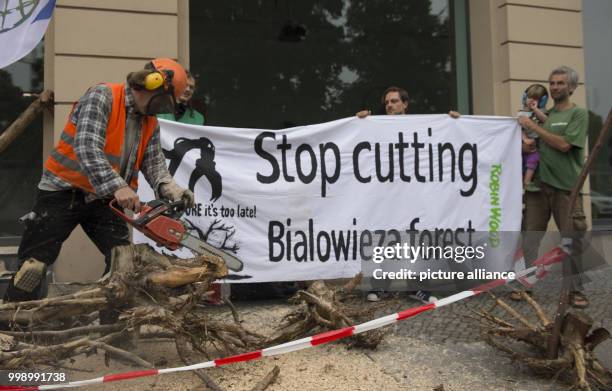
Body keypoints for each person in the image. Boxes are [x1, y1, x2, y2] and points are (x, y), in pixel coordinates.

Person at [4, 58, 196, 302]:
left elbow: (154, 164)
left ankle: (117, 332)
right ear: (154, 85)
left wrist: (171, 189)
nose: (165, 109)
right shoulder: (103, 96)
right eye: (167, 102)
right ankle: (10, 329)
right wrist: (119, 186)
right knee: (33, 266)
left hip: (103, 199)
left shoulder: (149, 121)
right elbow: (86, 148)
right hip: (63, 192)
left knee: (125, 262)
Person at [356, 86, 443, 304]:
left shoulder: (420, 126)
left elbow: (445, 137)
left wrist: (455, 122)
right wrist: (360, 121)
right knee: (384, 238)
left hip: (414, 194)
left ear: (405, 104)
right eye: (387, 103)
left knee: (419, 239)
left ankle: (417, 288)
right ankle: (380, 286)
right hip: (386, 195)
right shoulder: (377, 127)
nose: (390, 105)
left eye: (394, 101)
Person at [515, 66, 589, 308]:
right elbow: (531, 142)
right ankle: (525, 286)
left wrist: (534, 127)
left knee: (571, 239)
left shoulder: (578, 115)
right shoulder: (545, 115)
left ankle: (576, 291)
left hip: (566, 188)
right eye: (553, 83)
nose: (556, 86)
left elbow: (564, 145)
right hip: (538, 188)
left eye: (560, 83)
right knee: (530, 238)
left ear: (571, 87)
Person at [519, 84, 549, 190]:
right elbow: (519, 129)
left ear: (542, 101)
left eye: (536, 98)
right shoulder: (522, 113)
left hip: (537, 145)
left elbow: (546, 121)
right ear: (524, 98)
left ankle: (527, 181)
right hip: (526, 142)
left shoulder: (542, 112)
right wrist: (524, 139)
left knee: (533, 160)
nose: (532, 100)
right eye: (530, 97)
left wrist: (535, 109)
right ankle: (521, 182)